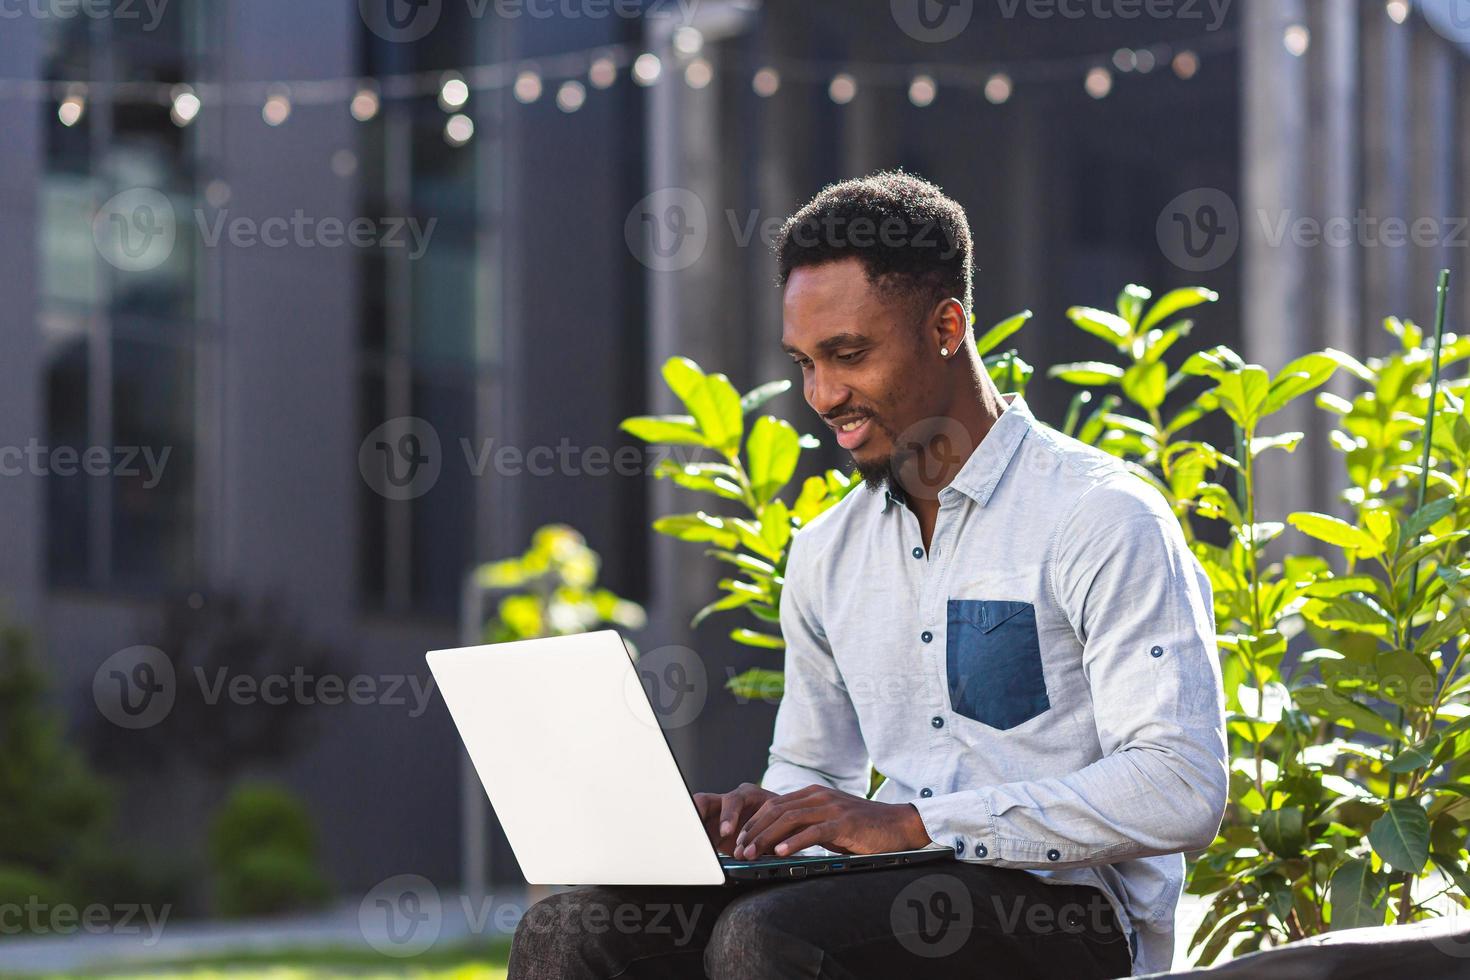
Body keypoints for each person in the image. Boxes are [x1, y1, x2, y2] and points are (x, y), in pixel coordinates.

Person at [508, 171, 1227, 979]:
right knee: (571, 931)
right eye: (805, 362)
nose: (822, 394)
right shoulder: (826, 554)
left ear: (947, 326)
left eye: (849, 355)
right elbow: (816, 769)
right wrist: (762, 823)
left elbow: (1181, 784)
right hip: (881, 891)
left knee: (769, 937)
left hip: (1064, 911)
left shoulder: (1098, 517)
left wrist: (916, 825)